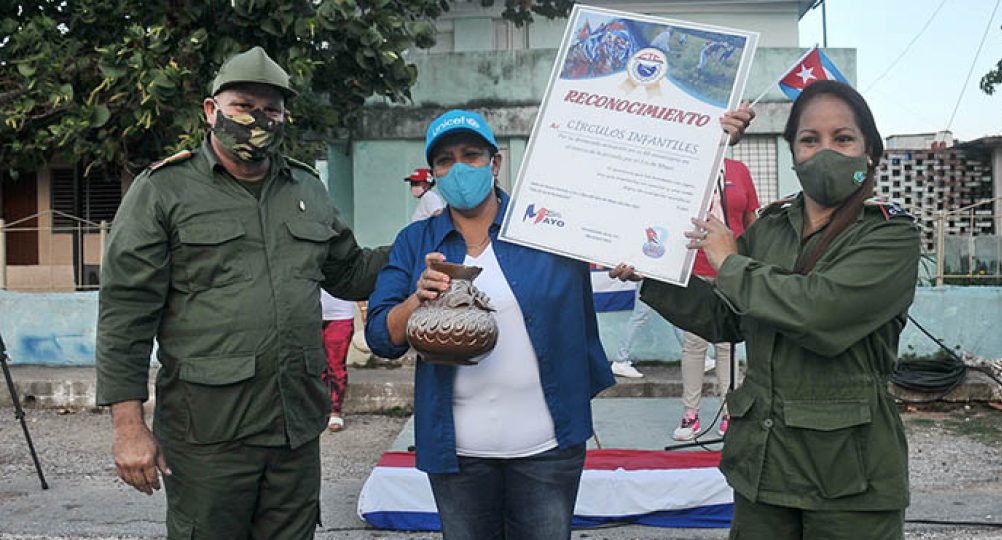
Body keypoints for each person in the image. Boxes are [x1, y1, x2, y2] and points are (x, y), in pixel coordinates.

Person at [95, 47, 388, 539]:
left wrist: (419, 248)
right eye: (242, 105)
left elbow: (350, 271)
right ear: (211, 111)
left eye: (271, 109)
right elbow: (125, 314)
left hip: (295, 428)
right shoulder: (163, 191)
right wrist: (128, 427)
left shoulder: (305, 187)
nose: (258, 118)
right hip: (208, 435)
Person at [612, 80, 919, 539]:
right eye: (809, 140)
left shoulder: (889, 235)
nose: (825, 151)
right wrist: (651, 274)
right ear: (793, 154)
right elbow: (725, 315)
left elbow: (820, 312)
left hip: (848, 476)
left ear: (869, 152)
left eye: (843, 138)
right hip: (764, 466)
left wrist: (729, 261)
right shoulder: (772, 228)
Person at [365, 109, 616, 540]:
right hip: (458, 454)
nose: (458, 168)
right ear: (435, 173)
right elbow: (380, 338)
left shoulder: (548, 229)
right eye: (445, 160)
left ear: (495, 163)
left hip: (548, 449)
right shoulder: (415, 242)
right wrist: (417, 300)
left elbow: (626, 225)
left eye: (471, 155)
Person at [672, 157, 759, 441]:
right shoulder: (686, 166)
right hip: (694, 268)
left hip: (730, 269)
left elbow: (750, 219)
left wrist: (751, 263)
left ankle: (729, 413)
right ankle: (690, 416)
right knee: (694, 345)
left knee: (727, 345)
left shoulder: (738, 170)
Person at [612, 290, 685, 378]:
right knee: (676, 317)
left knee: (676, 317)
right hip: (656, 279)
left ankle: (620, 360)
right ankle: (620, 360)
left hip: (655, 278)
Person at [321, 289, 357, 432]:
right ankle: (320, 410)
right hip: (309, 311)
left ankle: (335, 411)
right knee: (315, 366)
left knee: (336, 364)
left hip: (341, 314)